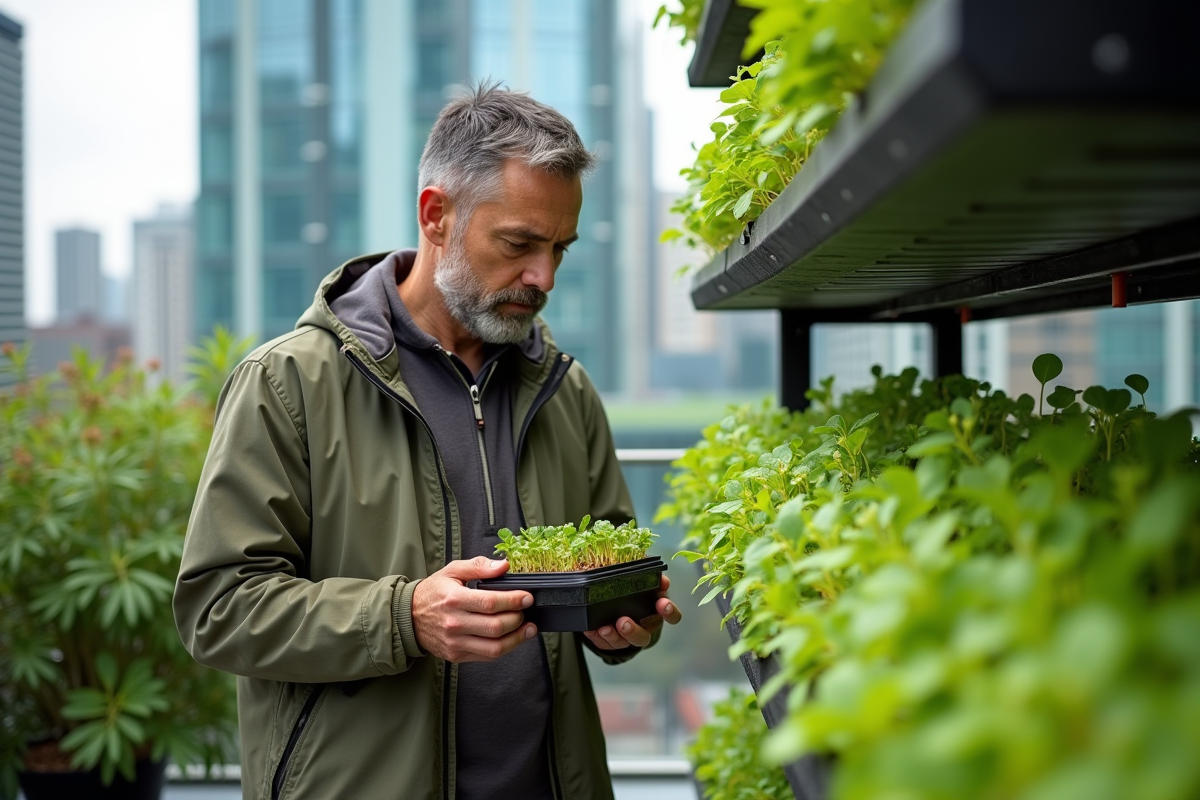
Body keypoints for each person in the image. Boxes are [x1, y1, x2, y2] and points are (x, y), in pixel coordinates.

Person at [173, 84, 682, 800]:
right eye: (519, 244)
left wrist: (624, 623)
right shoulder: (288, 383)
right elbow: (219, 608)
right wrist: (403, 618)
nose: (543, 276)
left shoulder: (565, 390)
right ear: (437, 215)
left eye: (559, 249)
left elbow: (610, 563)